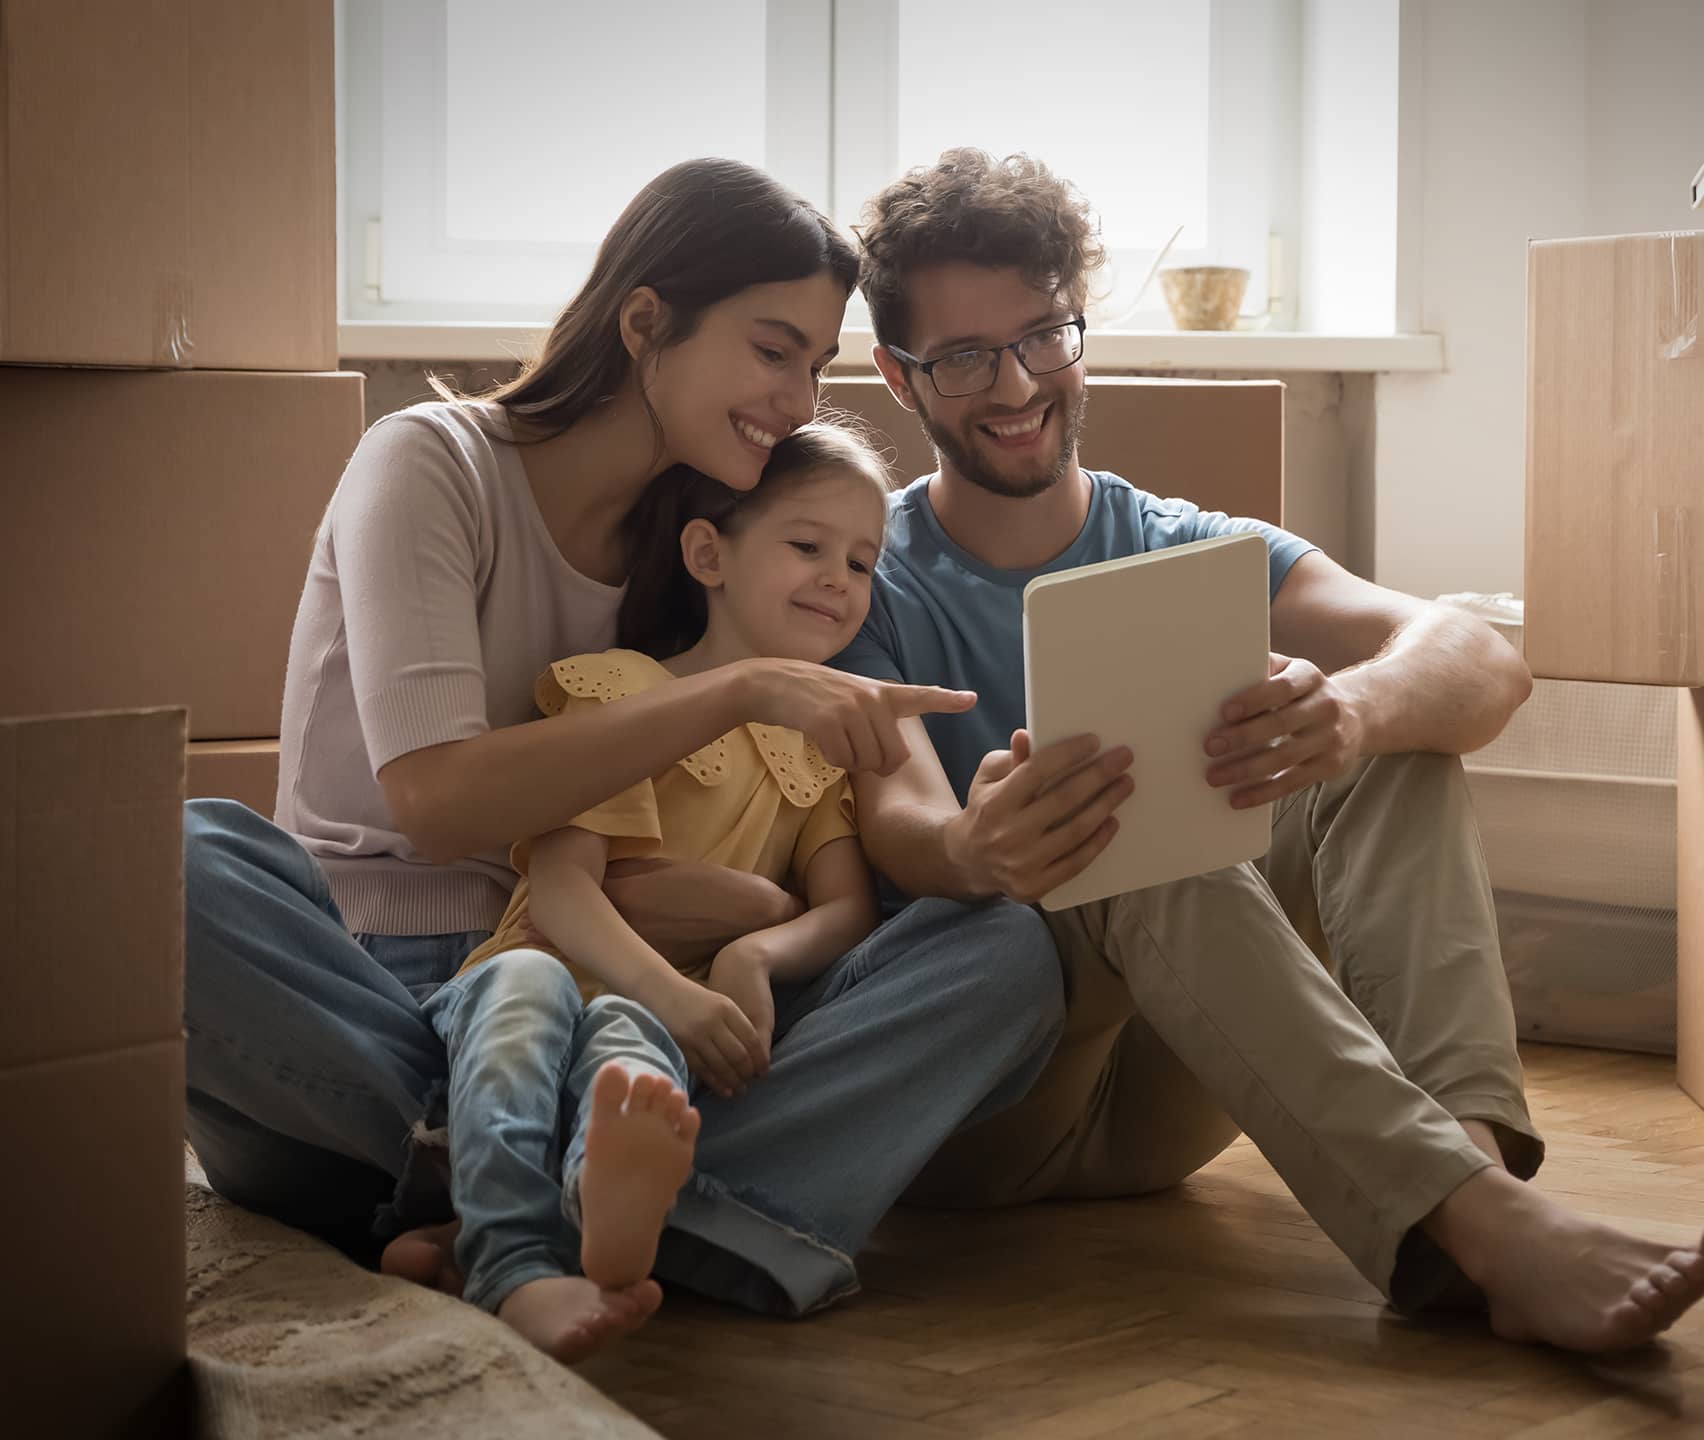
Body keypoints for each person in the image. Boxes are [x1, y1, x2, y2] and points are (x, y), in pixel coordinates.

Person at [829, 148, 1704, 1355]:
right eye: (965, 357)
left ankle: (1474, 1197)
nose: (1017, 385)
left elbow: (1477, 657)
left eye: (1045, 336)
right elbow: (889, 819)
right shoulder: (859, 571)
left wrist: (1351, 714)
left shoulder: (1181, 542)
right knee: (1133, 830)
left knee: (1392, 737)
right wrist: (971, 842)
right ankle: (1474, 1224)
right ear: (899, 374)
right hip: (983, 1103)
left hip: (1173, 1087)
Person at [182, 159, 1064, 1352]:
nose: (800, 398)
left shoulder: (701, 532)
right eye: (773, 350)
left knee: (999, 952)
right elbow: (438, 802)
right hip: (369, 1003)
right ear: (646, 321)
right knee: (170, 861)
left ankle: (558, 1209)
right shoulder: (430, 463)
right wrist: (744, 693)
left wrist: (752, 919)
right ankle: (554, 1187)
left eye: (816, 366)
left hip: (624, 1008)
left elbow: (728, 843)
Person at [418, 425, 895, 1359]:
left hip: (658, 1015)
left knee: (636, 1058)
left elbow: (851, 909)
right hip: (528, 980)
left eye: (863, 562)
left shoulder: (820, 751)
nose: (839, 578)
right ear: (708, 553)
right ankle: (511, 1264)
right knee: (535, 992)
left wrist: (755, 950)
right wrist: (678, 985)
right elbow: (560, 889)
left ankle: (592, 1221)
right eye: (807, 546)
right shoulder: (626, 697)